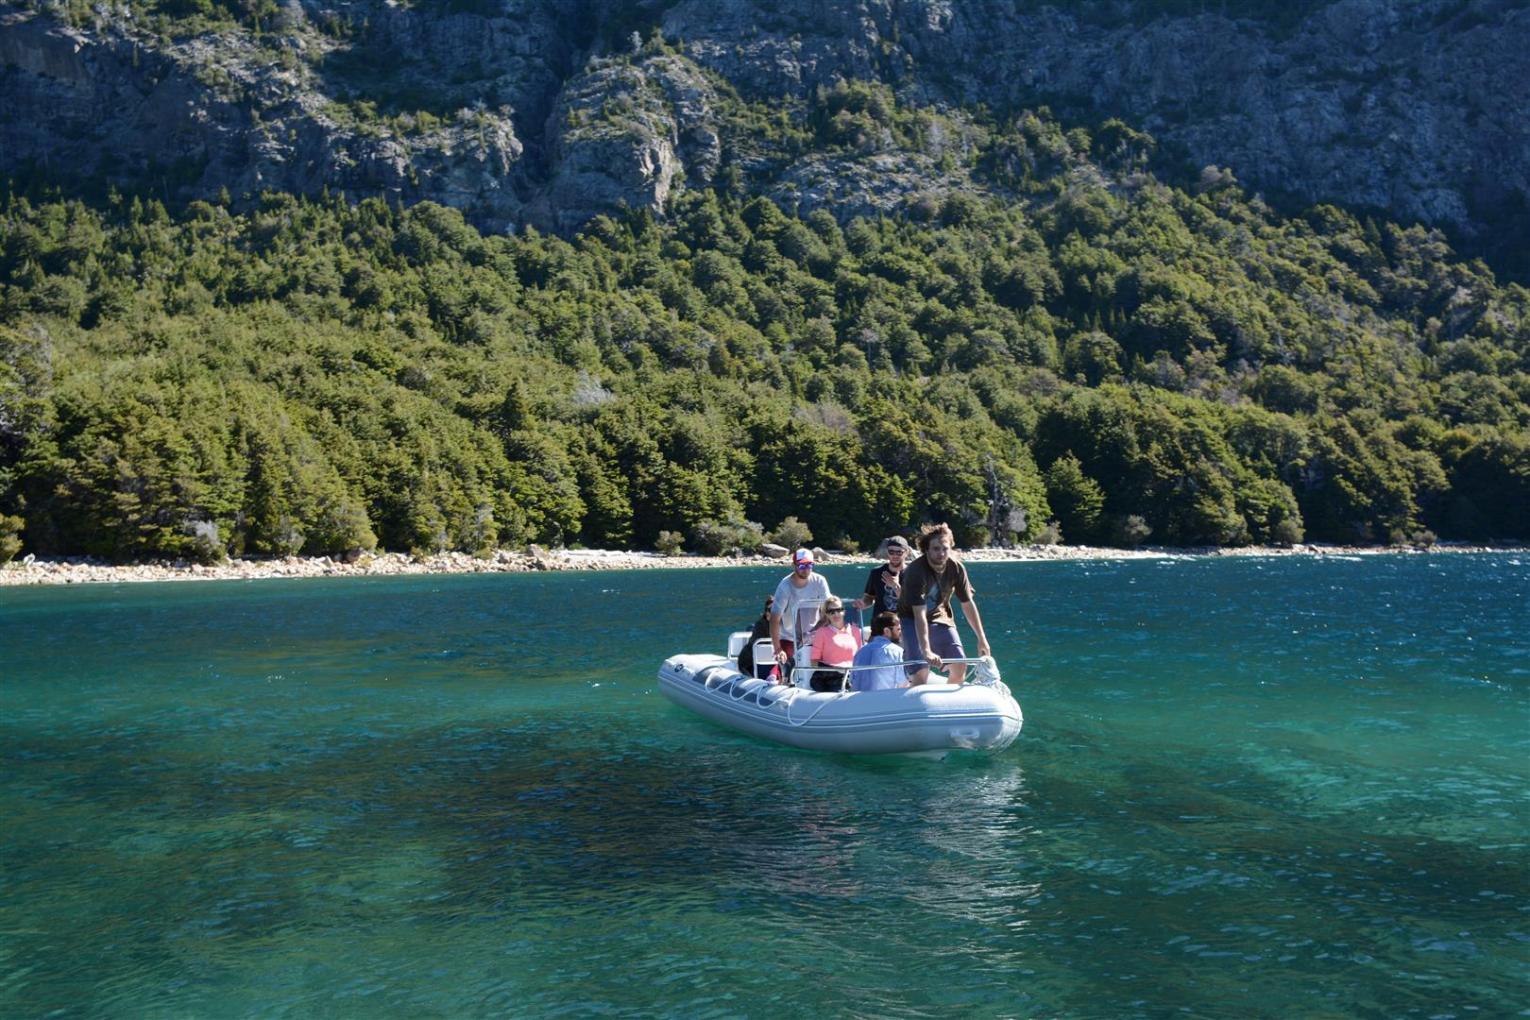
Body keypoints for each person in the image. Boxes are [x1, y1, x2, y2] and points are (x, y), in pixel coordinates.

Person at [896, 522, 991, 685]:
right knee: (921, 672)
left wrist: (981, 638)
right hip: (911, 618)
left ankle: (948, 703)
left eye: (945, 548)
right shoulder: (915, 572)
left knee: (960, 665)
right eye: (936, 549)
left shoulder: (956, 568)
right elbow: (919, 615)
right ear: (926, 549)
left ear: (951, 548)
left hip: (941, 617)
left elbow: (967, 604)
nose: (941, 553)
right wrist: (926, 650)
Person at [770, 547, 831, 684]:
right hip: (789, 635)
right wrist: (777, 648)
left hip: (814, 634)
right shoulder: (785, 586)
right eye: (802, 565)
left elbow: (829, 608)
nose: (806, 569)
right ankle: (775, 680)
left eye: (810, 565)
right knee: (784, 662)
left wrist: (817, 630)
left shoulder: (820, 581)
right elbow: (775, 618)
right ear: (794, 566)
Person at [808, 595, 862, 691]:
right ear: (827, 615)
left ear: (844, 611)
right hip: (832, 678)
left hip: (854, 675)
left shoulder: (856, 631)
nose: (836, 614)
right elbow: (814, 661)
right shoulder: (821, 632)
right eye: (831, 612)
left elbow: (860, 656)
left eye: (839, 610)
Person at [852, 535, 910, 616]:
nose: (895, 555)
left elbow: (913, 603)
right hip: (879, 623)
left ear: (906, 553)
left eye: (899, 552)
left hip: (903, 624)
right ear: (887, 552)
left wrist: (895, 587)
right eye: (891, 552)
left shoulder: (913, 574)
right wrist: (863, 603)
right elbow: (869, 597)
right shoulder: (877, 573)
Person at [850, 612, 906, 692]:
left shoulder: (860, 652)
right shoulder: (898, 652)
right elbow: (902, 684)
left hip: (859, 702)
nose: (900, 632)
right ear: (886, 631)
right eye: (898, 629)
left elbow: (853, 681)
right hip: (884, 702)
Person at [737, 595, 773, 678]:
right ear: (767, 613)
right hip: (749, 662)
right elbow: (761, 647)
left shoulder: (784, 625)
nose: (774, 612)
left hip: (769, 661)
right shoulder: (760, 626)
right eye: (770, 610)